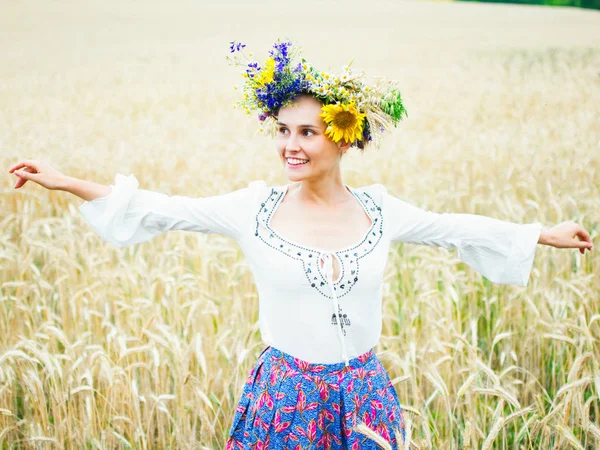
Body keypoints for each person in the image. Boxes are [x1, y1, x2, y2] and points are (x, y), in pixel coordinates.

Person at [8, 40, 593, 449]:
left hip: (365, 397)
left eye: (307, 133)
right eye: (283, 130)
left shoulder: (380, 211)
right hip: (284, 397)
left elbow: (455, 226)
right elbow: (161, 210)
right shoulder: (253, 209)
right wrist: (65, 181)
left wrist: (540, 234)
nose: (290, 145)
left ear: (344, 139)